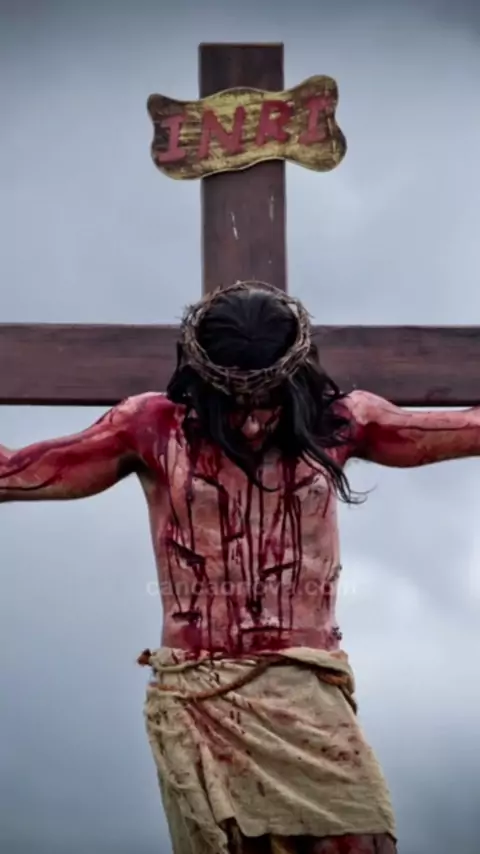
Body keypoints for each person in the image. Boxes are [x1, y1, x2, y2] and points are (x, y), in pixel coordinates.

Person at [1, 280, 479, 854]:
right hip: (200, 691)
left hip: (305, 690)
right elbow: (19, 473)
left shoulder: (343, 423)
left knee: (361, 840)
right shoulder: (151, 429)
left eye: (267, 404)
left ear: (295, 380)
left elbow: (467, 429)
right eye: (231, 405)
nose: (250, 425)